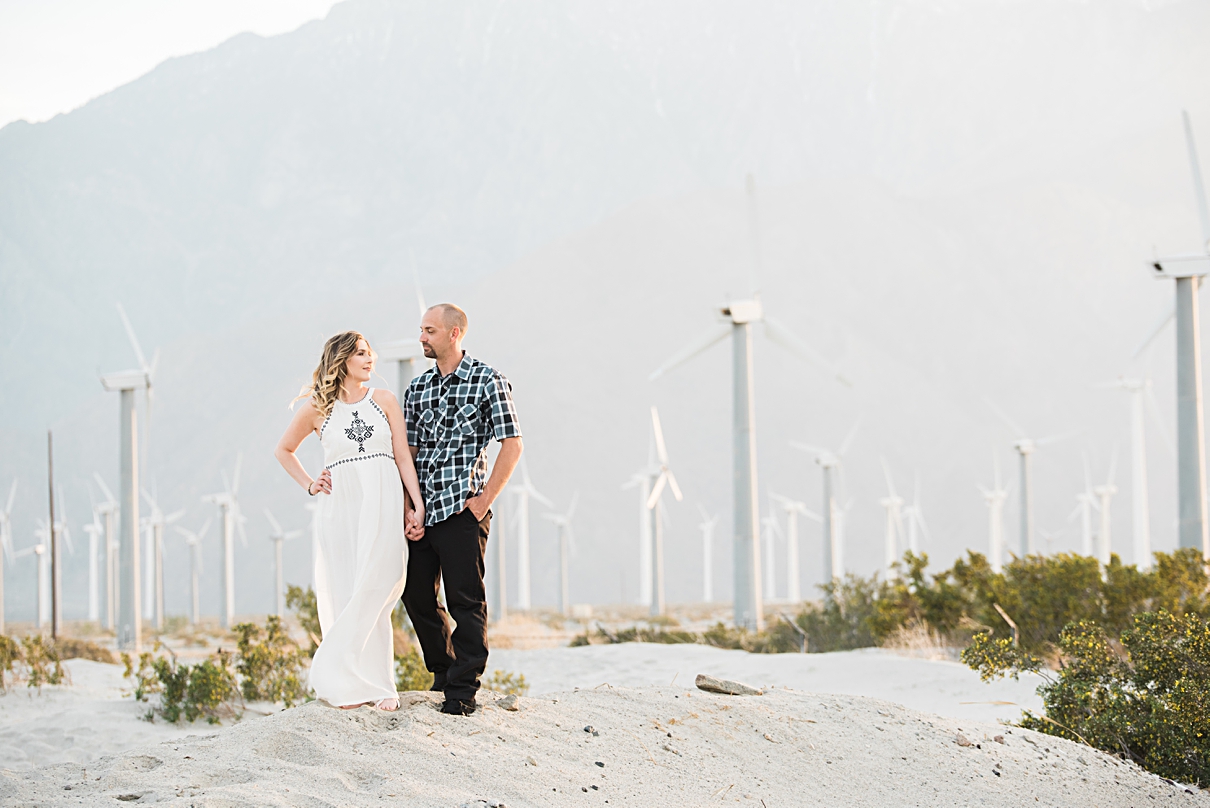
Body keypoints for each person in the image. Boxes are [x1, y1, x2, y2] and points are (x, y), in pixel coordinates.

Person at [274, 330, 424, 711]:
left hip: (385, 504)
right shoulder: (316, 409)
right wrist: (310, 484)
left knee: (381, 584)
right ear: (341, 361)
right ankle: (355, 687)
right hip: (339, 508)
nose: (369, 360)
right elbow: (284, 450)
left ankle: (357, 676)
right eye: (361, 354)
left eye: (370, 353)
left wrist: (415, 505)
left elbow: (403, 457)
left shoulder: (385, 400)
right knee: (345, 590)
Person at [402, 303, 523, 716]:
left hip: (462, 509)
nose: (422, 337)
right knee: (415, 593)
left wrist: (484, 501)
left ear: (454, 334)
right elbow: (409, 454)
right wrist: (408, 508)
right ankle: (444, 669)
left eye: (429, 330)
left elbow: (513, 444)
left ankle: (463, 689)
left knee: (464, 602)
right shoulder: (416, 389)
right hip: (424, 510)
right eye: (421, 330)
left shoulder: (488, 380)